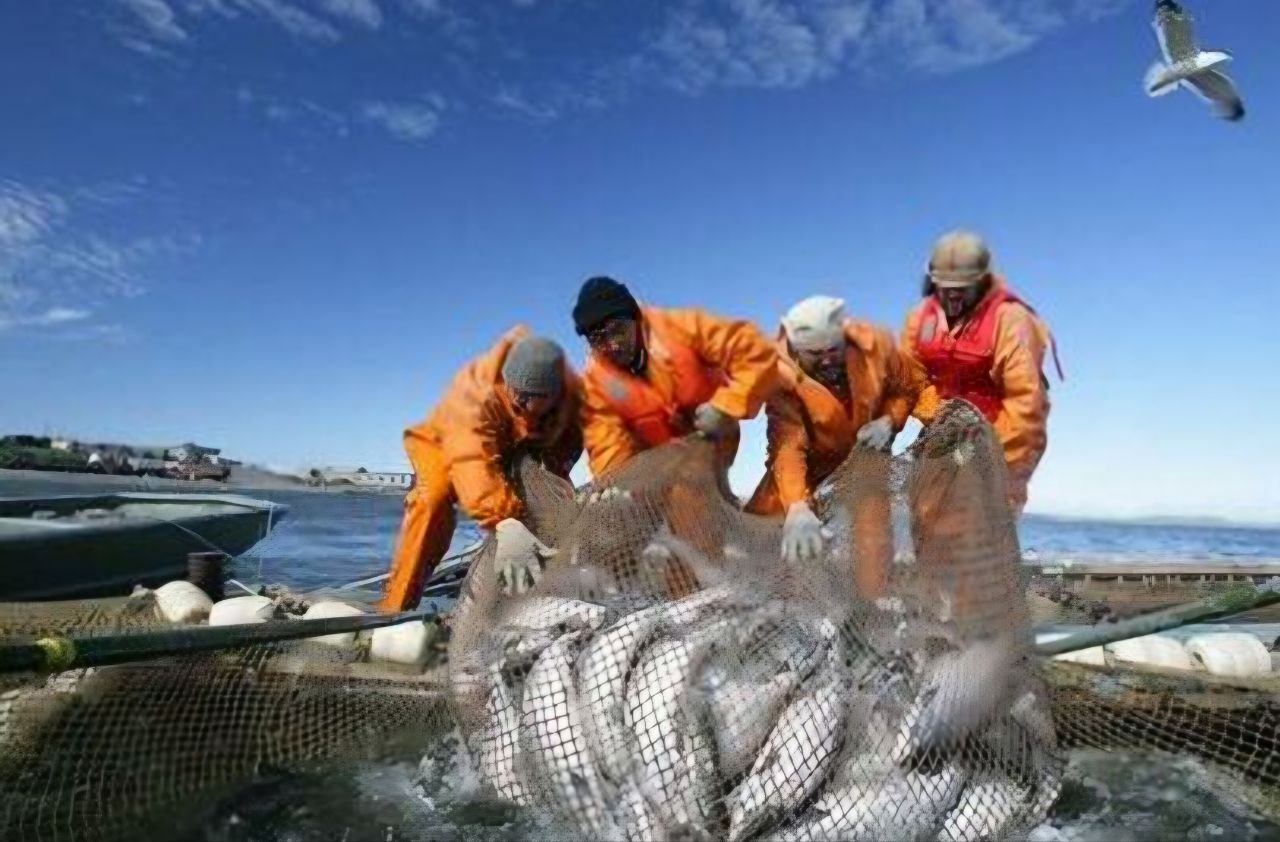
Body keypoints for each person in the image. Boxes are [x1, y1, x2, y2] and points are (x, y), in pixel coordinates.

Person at [380, 328, 582, 612]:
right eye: (514, 393)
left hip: (512, 449)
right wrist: (504, 520)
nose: (517, 401)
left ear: (554, 395)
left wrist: (553, 502)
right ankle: (396, 606)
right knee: (433, 500)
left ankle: (529, 598)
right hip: (448, 446)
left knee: (540, 513)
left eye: (528, 397)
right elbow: (472, 463)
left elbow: (564, 456)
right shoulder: (476, 398)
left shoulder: (572, 402)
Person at [746, 295, 935, 597]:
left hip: (867, 459)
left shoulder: (877, 347)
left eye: (833, 350)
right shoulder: (781, 382)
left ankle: (871, 605)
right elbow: (787, 446)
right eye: (814, 353)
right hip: (811, 465)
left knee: (871, 528)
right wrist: (796, 505)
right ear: (796, 348)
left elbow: (908, 387)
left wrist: (889, 420)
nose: (826, 360)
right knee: (753, 535)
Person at [902, 230, 1060, 515]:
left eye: (962, 288)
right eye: (944, 287)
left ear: (982, 280)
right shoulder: (919, 319)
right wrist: (937, 415)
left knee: (987, 518)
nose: (952, 295)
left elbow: (1026, 405)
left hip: (1005, 434)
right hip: (945, 431)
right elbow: (906, 376)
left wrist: (986, 451)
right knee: (926, 513)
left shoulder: (1011, 320)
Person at [572, 275, 781, 478]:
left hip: (713, 430)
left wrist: (725, 407)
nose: (613, 344)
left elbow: (756, 352)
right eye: (598, 338)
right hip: (657, 452)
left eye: (619, 329)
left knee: (698, 490)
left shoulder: (681, 328)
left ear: (636, 318)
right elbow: (606, 447)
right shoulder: (596, 383)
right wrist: (617, 486)